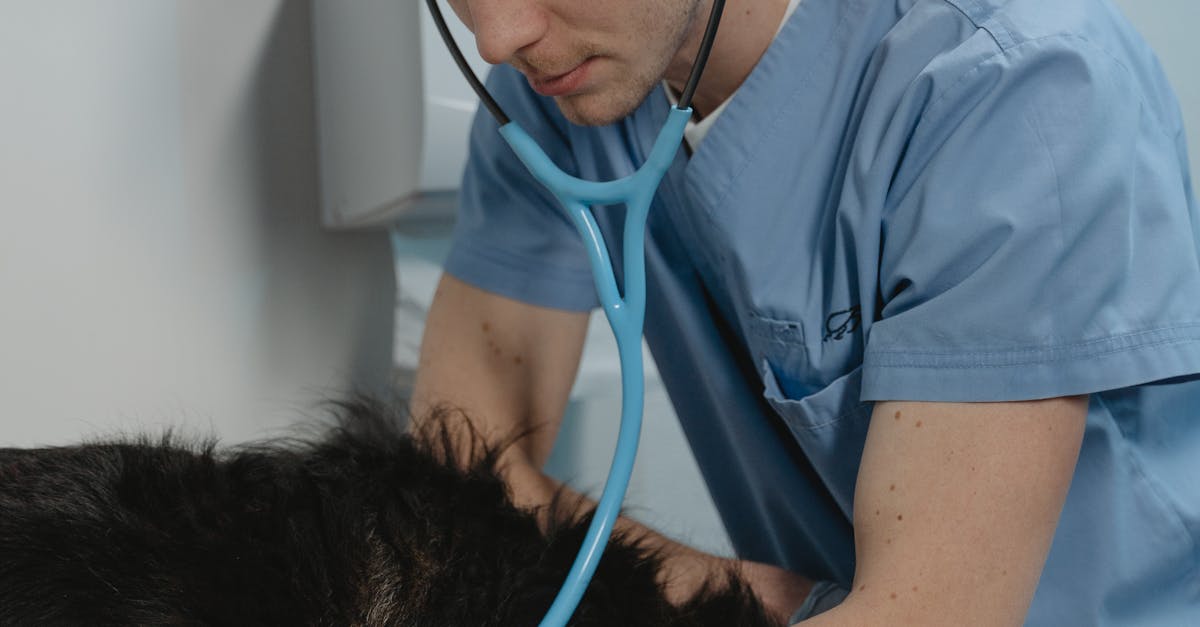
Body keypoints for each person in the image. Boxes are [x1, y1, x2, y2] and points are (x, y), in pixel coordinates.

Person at [411, 0, 1200, 624]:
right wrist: (787, 603)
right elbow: (455, 479)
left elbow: (927, 616)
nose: (497, 37)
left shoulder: (1009, 83)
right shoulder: (558, 99)